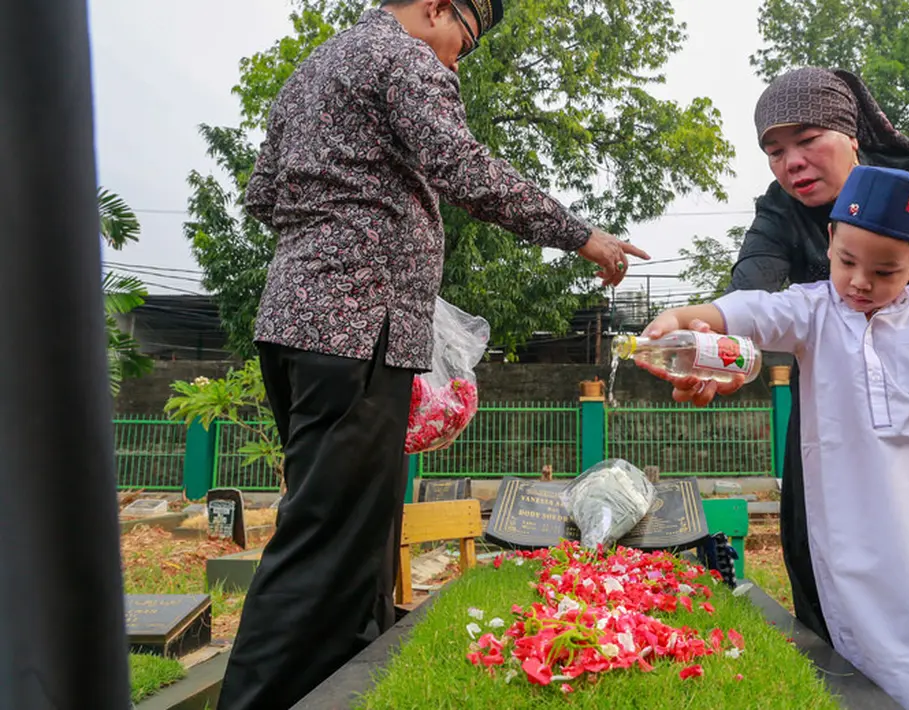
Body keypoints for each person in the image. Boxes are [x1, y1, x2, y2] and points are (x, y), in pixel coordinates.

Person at [215, 2, 648, 708]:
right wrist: (581, 236)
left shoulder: (311, 69)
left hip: (295, 317)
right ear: (435, 9)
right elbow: (460, 166)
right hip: (357, 325)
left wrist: (347, 220)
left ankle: (348, 682)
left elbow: (264, 195)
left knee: (362, 527)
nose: (454, 60)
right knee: (327, 535)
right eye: (462, 41)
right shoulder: (405, 58)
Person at [642, 68, 909, 709]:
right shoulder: (781, 215)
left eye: (807, 140)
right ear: (831, 242)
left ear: (851, 133)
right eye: (774, 150)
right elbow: (756, 307)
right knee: (835, 572)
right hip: (836, 430)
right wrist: (720, 357)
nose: (791, 163)